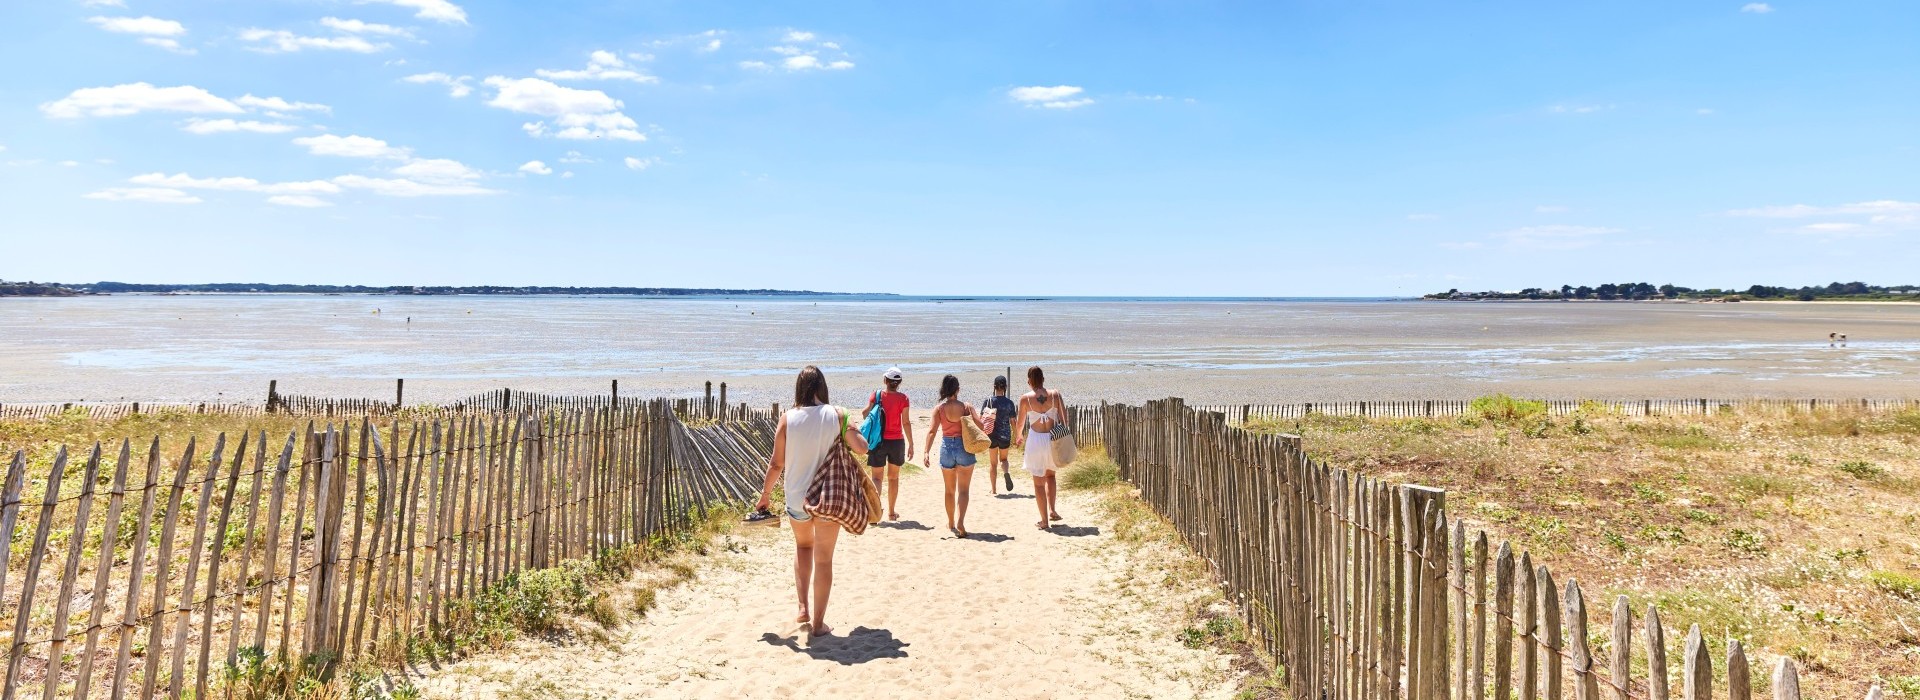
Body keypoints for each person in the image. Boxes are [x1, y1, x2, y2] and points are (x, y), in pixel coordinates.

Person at [755, 366, 869, 638]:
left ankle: (803, 608)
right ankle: (818, 625)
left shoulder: (787, 418)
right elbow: (862, 448)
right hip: (829, 497)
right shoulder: (838, 415)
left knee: (803, 546)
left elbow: (776, 463)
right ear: (822, 388)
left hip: (797, 497)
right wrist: (852, 427)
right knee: (824, 559)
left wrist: (765, 495)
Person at [923, 375, 991, 537]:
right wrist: (984, 416)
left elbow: (932, 431)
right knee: (964, 490)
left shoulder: (939, 408)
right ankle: (960, 521)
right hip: (964, 447)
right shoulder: (966, 407)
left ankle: (951, 522)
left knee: (949, 491)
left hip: (946, 447)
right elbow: (981, 426)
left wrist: (926, 451)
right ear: (957, 389)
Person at [1014, 366, 1068, 530]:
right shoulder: (1055, 395)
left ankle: (1044, 520)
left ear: (1029, 381)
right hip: (1052, 438)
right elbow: (1065, 419)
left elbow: (1020, 423)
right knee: (1051, 476)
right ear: (1043, 379)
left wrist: (1018, 436)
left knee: (1038, 483)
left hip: (1036, 440)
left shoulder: (1026, 399)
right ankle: (1052, 510)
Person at [862, 367, 912, 520]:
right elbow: (906, 422)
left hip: (878, 442)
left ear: (885, 381)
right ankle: (891, 512)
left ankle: (875, 513)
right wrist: (911, 443)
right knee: (893, 478)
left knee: (877, 478)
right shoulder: (903, 399)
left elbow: (865, 413)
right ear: (899, 383)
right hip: (897, 441)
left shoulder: (877, 395)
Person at [981, 376, 1018, 494]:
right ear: (1005, 387)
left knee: (993, 463)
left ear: (994, 387)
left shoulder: (988, 401)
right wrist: (1016, 436)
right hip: (1005, 435)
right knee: (1004, 459)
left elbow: (982, 419)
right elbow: (1013, 421)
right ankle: (1006, 473)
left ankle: (994, 489)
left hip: (991, 435)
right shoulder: (1009, 403)